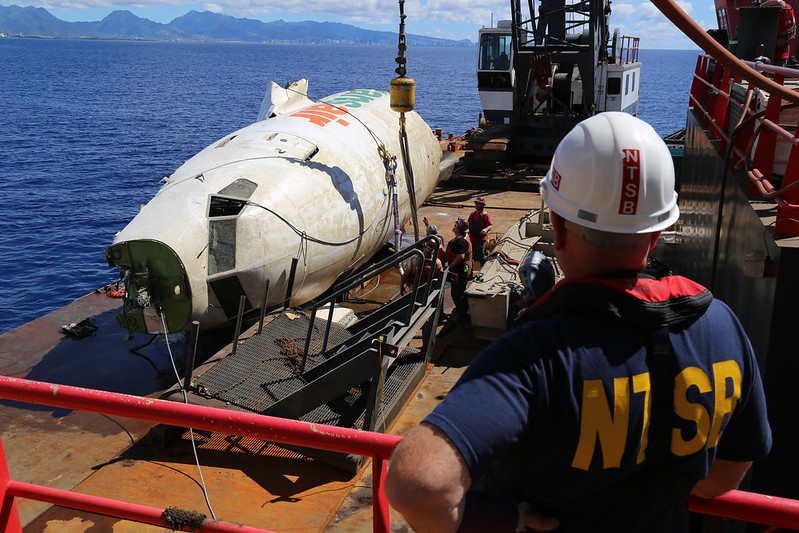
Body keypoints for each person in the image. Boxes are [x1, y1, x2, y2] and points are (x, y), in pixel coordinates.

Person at [385, 112, 772, 532]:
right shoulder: (721, 326)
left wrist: (505, 518)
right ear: (658, 231)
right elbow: (724, 475)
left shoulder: (535, 355)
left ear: (559, 226)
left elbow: (418, 486)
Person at [445, 218, 472, 319]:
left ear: (459, 229)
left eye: (456, 225)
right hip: (465, 268)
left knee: (456, 292)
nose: (454, 226)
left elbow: (460, 257)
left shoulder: (461, 242)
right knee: (461, 288)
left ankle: (463, 313)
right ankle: (462, 308)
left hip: (460, 269)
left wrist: (449, 267)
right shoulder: (463, 237)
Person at [467, 196, 493, 267]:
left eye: (479, 204)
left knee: (480, 255)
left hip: (481, 240)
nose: (477, 205)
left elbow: (490, 225)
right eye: (476, 204)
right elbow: (468, 224)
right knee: (470, 255)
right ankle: (470, 270)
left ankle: (484, 268)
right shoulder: (472, 214)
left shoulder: (485, 215)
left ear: (483, 206)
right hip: (472, 238)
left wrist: (485, 229)